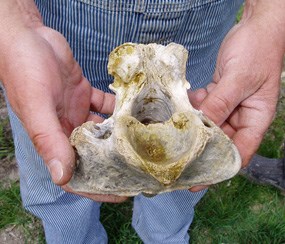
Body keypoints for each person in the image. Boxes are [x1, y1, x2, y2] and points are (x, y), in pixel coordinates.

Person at [0, 0, 284, 243]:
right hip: (65, 21)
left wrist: (267, 17)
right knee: (58, 161)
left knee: (186, 175)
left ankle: (165, 236)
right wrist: (15, 25)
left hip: (204, 20)